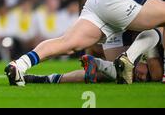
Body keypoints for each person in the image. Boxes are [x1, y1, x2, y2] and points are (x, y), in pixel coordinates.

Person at [5, 0, 165, 86]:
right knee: (149, 65)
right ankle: (128, 59)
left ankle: (20, 64)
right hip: (124, 0)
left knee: (66, 43)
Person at [24, 29, 163, 84]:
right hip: (123, 22)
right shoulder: (154, 67)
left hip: (112, 20)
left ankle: (43, 79)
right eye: (146, 75)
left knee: (109, 75)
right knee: (123, 72)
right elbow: (156, 73)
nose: (143, 77)